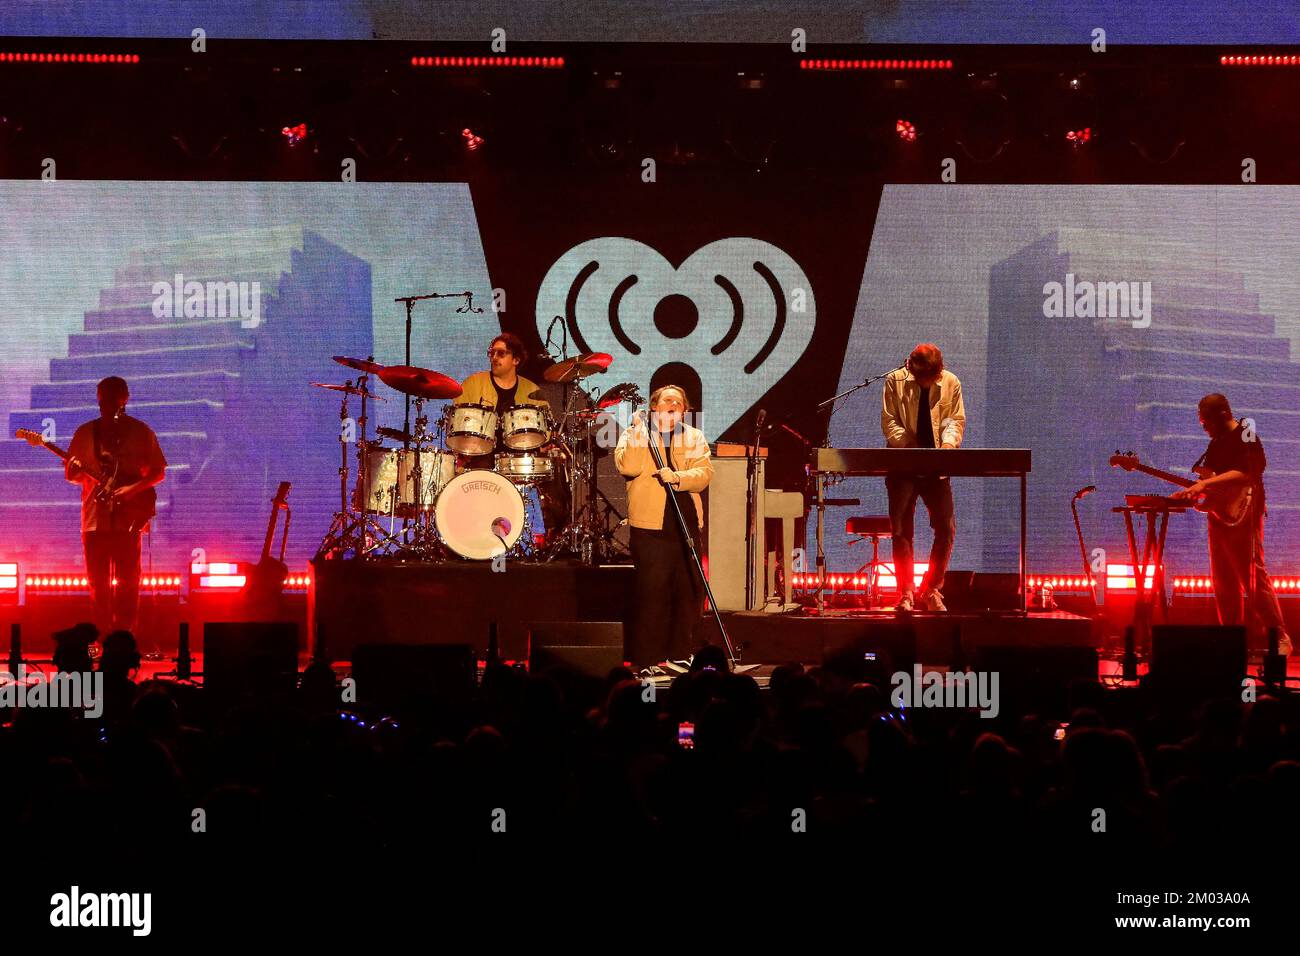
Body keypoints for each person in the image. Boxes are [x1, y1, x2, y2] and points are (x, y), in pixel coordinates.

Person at [1171, 393, 1292, 655]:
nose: (1203, 427)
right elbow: (1213, 485)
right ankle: (1231, 642)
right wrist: (1195, 495)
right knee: (1223, 582)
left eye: (1206, 421)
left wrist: (1204, 484)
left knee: (1254, 577)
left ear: (1223, 415)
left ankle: (1279, 636)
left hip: (1246, 514)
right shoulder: (1215, 443)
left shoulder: (1246, 431)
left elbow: (1248, 471)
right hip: (1220, 517)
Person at [614, 385, 713, 671]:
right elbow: (629, 467)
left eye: (678, 402)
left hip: (686, 526)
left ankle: (680, 654)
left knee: (689, 592)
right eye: (666, 400)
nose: (672, 404)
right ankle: (647, 659)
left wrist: (678, 476)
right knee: (652, 595)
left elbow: (704, 473)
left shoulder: (693, 436)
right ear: (654, 407)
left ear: (685, 410)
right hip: (650, 528)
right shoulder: (635, 433)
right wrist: (636, 432)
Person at [64, 376, 167, 635]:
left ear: (125, 398)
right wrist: (73, 469)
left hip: (128, 520)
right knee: (98, 584)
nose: (107, 405)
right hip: (94, 519)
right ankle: (100, 637)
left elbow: (158, 472)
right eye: (103, 399)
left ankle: (123, 638)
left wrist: (132, 490)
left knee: (128, 582)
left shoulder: (141, 431)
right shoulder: (85, 433)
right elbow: (72, 476)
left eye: (113, 398)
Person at [880, 343, 965, 612]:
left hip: (936, 467)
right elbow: (890, 421)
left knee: (946, 528)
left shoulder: (951, 382)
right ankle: (906, 592)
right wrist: (910, 449)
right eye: (918, 377)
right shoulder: (895, 380)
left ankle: (931, 589)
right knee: (901, 530)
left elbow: (955, 419)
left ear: (938, 372)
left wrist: (948, 447)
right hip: (903, 466)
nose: (922, 381)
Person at [454, 332, 550, 455]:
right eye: (492, 353)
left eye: (501, 353)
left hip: (520, 461)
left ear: (516, 360)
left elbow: (546, 429)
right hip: (478, 457)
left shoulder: (532, 390)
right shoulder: (471, 384)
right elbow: (458, 425)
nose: (494, 357)